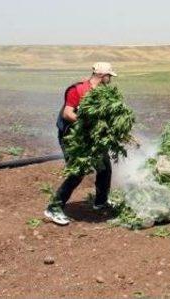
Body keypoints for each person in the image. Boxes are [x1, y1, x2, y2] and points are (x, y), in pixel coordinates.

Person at [44, 62, 118, 226]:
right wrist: (88, 123)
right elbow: (67, 113)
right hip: (72, 137)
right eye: (109, 76)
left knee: (104, 167)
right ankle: (53, 208)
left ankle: (101, 202)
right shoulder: (77, 90)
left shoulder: (103, 92)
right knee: (78, 171)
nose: (110, 79)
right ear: (101, 75)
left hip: (90, 136)